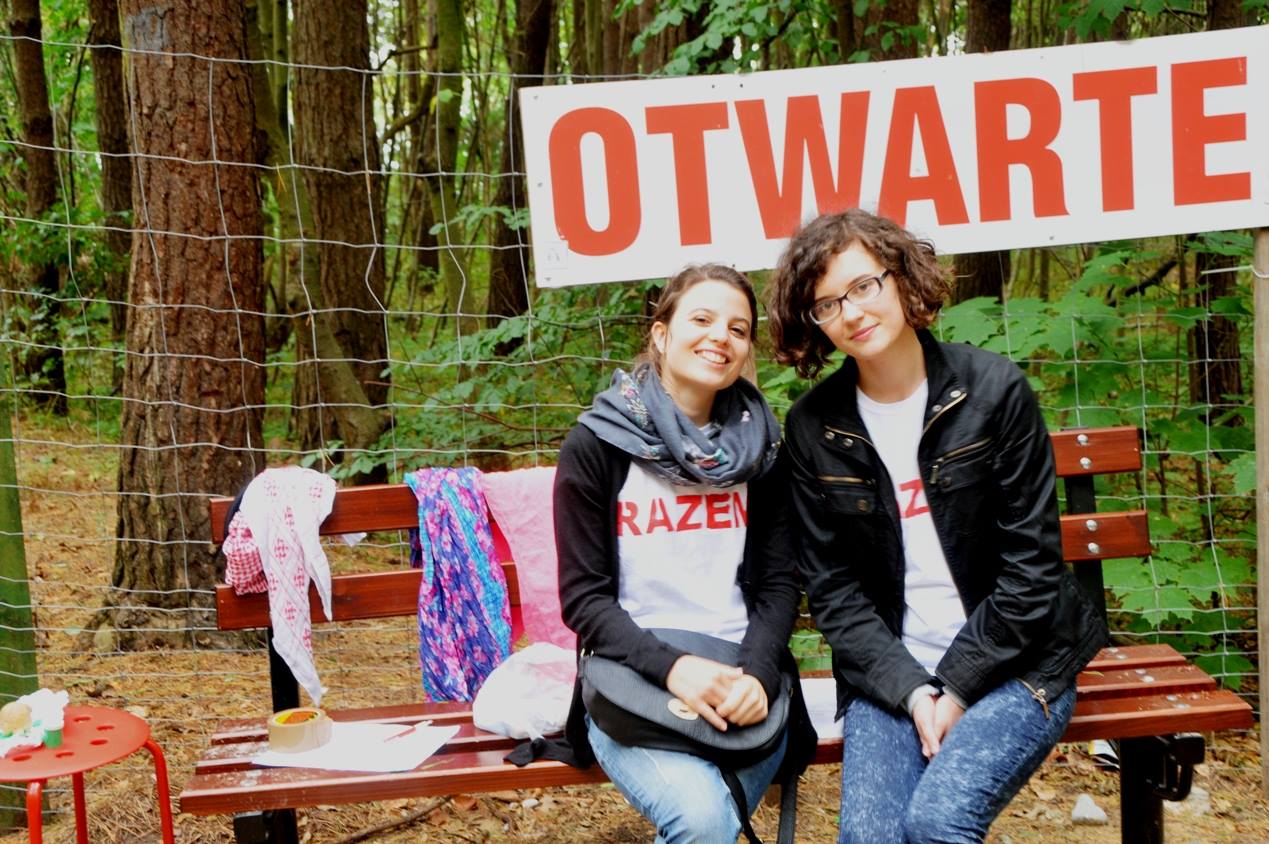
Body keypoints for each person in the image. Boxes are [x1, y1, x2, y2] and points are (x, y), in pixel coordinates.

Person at [766, 209, 1105, 844]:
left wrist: (955, 688)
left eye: (863, 285)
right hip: (890, 672)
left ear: (900, 277)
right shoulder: (813, 426)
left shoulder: (994, 392)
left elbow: (1032, 573)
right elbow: (834, 594)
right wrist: (914, 692)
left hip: (1017, 660)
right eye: (828, 304)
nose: (852, 312)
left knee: (938, 822)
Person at [552, 264, 815, 843]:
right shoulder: (596, 444)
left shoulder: (763, 451)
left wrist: (758, 676)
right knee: (702, 822)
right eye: (702, 319)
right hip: (633, 677)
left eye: (738, 329)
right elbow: (584, 599)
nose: (721, 336)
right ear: (661, 332)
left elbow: (779, 584)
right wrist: (675, 669)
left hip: (743, 679)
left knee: (704, 826)